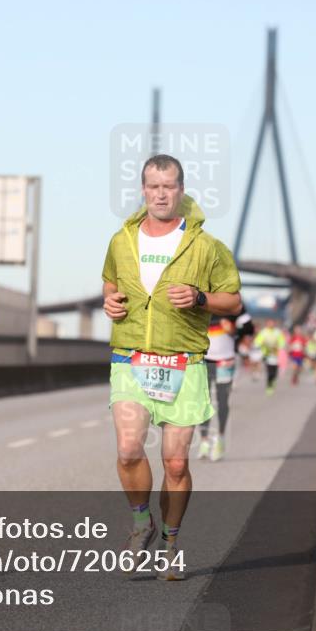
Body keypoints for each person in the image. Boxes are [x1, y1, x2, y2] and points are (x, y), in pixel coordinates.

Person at [102, 154, 242, 580]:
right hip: (131, 358)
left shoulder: (207, 247)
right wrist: (109, 302)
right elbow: (110, 284)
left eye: (168, 186)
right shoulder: (121, 241)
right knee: (129, 449)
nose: (161, 194)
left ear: (181, 190)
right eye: (153, 186)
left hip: (184, 362)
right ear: (143, 190)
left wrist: (200, 297)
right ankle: (141, 523)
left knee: (176, 463)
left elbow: (234, 302)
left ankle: (170, 542)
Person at [196, 310, 252, 462]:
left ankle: (220, 438)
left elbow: (249, 328)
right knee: (203, 401)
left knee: (222, 401)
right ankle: (204, 440)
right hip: (204, 358)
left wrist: (234, 330)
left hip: (225, 360)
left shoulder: (232, 305)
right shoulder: (202, 301)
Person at [254, 318, 285, 395]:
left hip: (275, 354)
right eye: (269, 323)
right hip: (267, 354)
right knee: (269, 371)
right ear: (267, 324)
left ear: (274, 324)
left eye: (272, 323)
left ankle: (273, 380)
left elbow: (282, 342)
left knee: (275, 372)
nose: (271, 324)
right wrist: (260, 344)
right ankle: (269, 386)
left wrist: (279, 347)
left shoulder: (277, 332)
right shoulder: (263, 332)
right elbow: (257, 341)